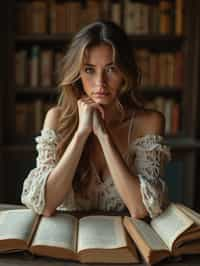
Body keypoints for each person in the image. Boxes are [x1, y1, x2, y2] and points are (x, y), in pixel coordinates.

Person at [21, 20, 171, 219]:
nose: (100, 82)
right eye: (89, 69)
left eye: (111, 69)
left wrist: (103, 134)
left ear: (125, 73)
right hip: (64, 244)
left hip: (123, 244)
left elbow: (140, 209)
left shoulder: (148, 122)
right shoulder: (57, 118)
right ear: (77, 74)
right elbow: (45, 205)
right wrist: (81, 134)